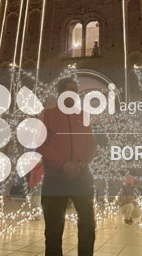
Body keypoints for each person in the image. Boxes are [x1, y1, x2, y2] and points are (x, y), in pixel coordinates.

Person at [37, 78, 97, 256]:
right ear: (60, 93)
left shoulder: (83, 115)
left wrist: (79, 163)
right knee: (54, 228)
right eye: (70, 91)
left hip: (81, 176)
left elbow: (92, 144)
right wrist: (62, 164)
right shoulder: (48, 115)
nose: (74, 95)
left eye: (76, 91)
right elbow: (41, 144)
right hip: (55, 177)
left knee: (88, 223)